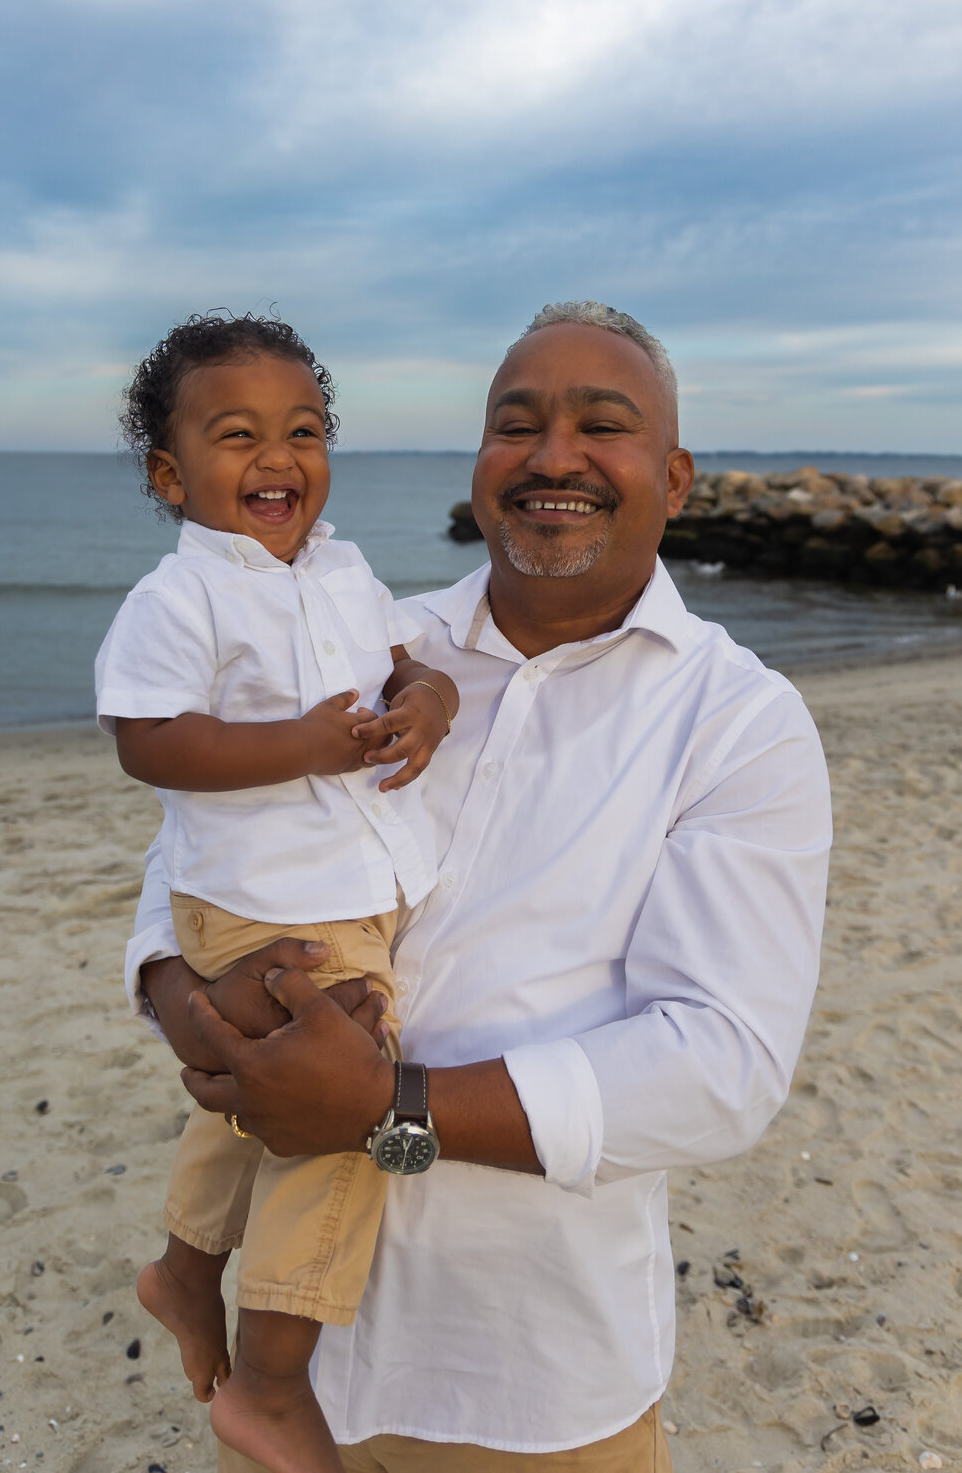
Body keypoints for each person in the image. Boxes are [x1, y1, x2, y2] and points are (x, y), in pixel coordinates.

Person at [128, 300, 834, 1472]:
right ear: (480, 466)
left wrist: (386, 1109)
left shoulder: (740, 723)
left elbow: (722, 1064)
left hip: (535, 1381)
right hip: (304, 1378)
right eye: (517, 425)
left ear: (677, 475)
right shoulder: (375, 648)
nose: (553, 456)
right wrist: (179, 999)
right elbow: (197, 849)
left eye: (600, 425)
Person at [97, 311, 459, 1473]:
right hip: (259, 898)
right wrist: (297, 746)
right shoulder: (179, 598)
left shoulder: (344, 570)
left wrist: (431, 700)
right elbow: (147, 742)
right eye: (237, 434)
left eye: (302, 431)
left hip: (338, 892)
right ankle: (268, 1383)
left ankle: (186, 1271)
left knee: (254, 1104)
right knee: (354, 1108)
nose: (277, 458)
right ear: (171, 473)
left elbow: (403, 660)